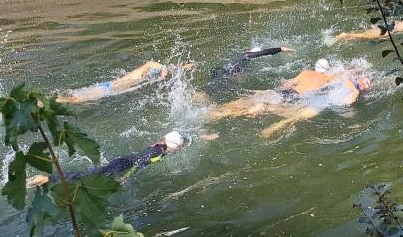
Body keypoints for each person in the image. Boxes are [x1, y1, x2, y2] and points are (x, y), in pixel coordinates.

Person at [208, 60, 373, 137]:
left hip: (281, 91)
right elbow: (343, 78)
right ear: (328, 70)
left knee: (250, 99)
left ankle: (217, 112)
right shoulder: (329, 80)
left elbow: (287, 83)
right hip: (295, 98)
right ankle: (253, 110)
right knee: (264, 107)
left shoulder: (306, 72)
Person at [26, 130, 190, 188]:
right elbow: (141, 162)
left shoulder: (161, 146)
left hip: (122, 161)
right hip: (123, 165)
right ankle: (47, 179)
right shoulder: (158, 152)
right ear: (174, 146)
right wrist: (127, 176)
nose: (181, 149)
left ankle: (48, 180)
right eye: (180, 147)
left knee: (92, 174)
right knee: (87, 176)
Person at [56, 61, 194, 104]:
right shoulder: (144, 71)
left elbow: (173, 68)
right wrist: (163, 68)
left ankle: (51, 101)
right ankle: (45, 102)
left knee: (79, 100)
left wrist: (186, 67)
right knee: (74, 100)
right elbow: (149, 64)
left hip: (110, 87)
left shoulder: (152, 73)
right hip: (110, 88)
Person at [209, 46, 294, 80]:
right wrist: (281, 49)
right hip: (226, 76)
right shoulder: (247, 55)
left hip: (221, 72)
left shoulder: (237, 58)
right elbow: (265, 52)